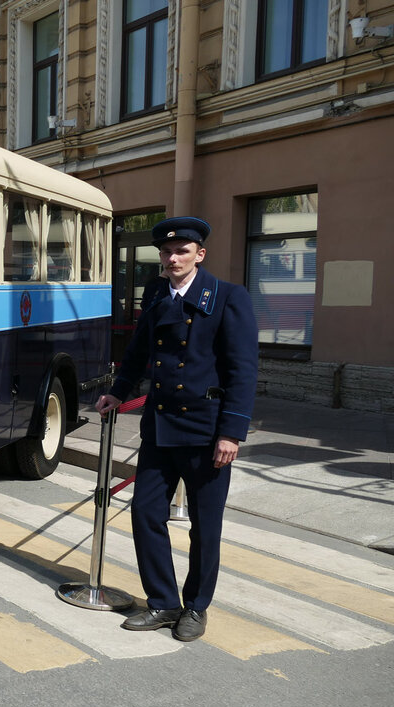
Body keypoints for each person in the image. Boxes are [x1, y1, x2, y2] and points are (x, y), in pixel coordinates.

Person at [94, 217, 258, 642]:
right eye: (166, 252)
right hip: (161, 426)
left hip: (206, 432)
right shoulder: (155, 293)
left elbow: (243, 369)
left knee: (205, 526)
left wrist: (231, 432)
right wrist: (118, 391)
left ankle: (197, 607)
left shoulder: (226, 297)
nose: (172, 258)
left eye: (182, 251)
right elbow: (137, 351)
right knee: (146, 513)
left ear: (199, 255)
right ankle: (164, 603)